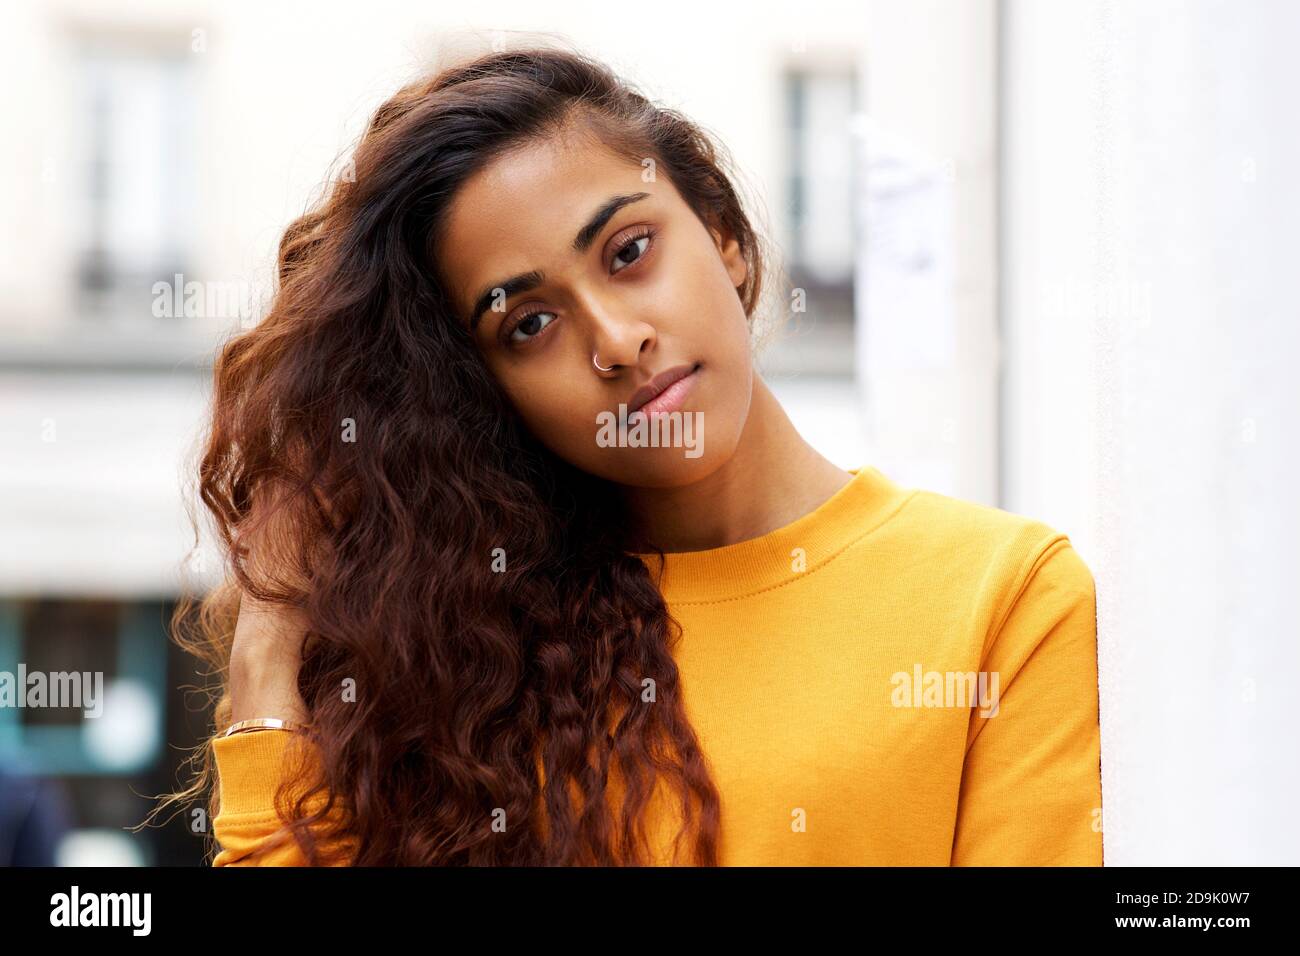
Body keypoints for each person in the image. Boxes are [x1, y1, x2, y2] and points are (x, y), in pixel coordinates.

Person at [161, 44, 1102, 866]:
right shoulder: (466, 662)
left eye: (627, 250)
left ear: (725, 237)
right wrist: (270, 653)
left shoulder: (1004, 598)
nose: (614, 340)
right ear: (490, 394)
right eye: (528, 323)